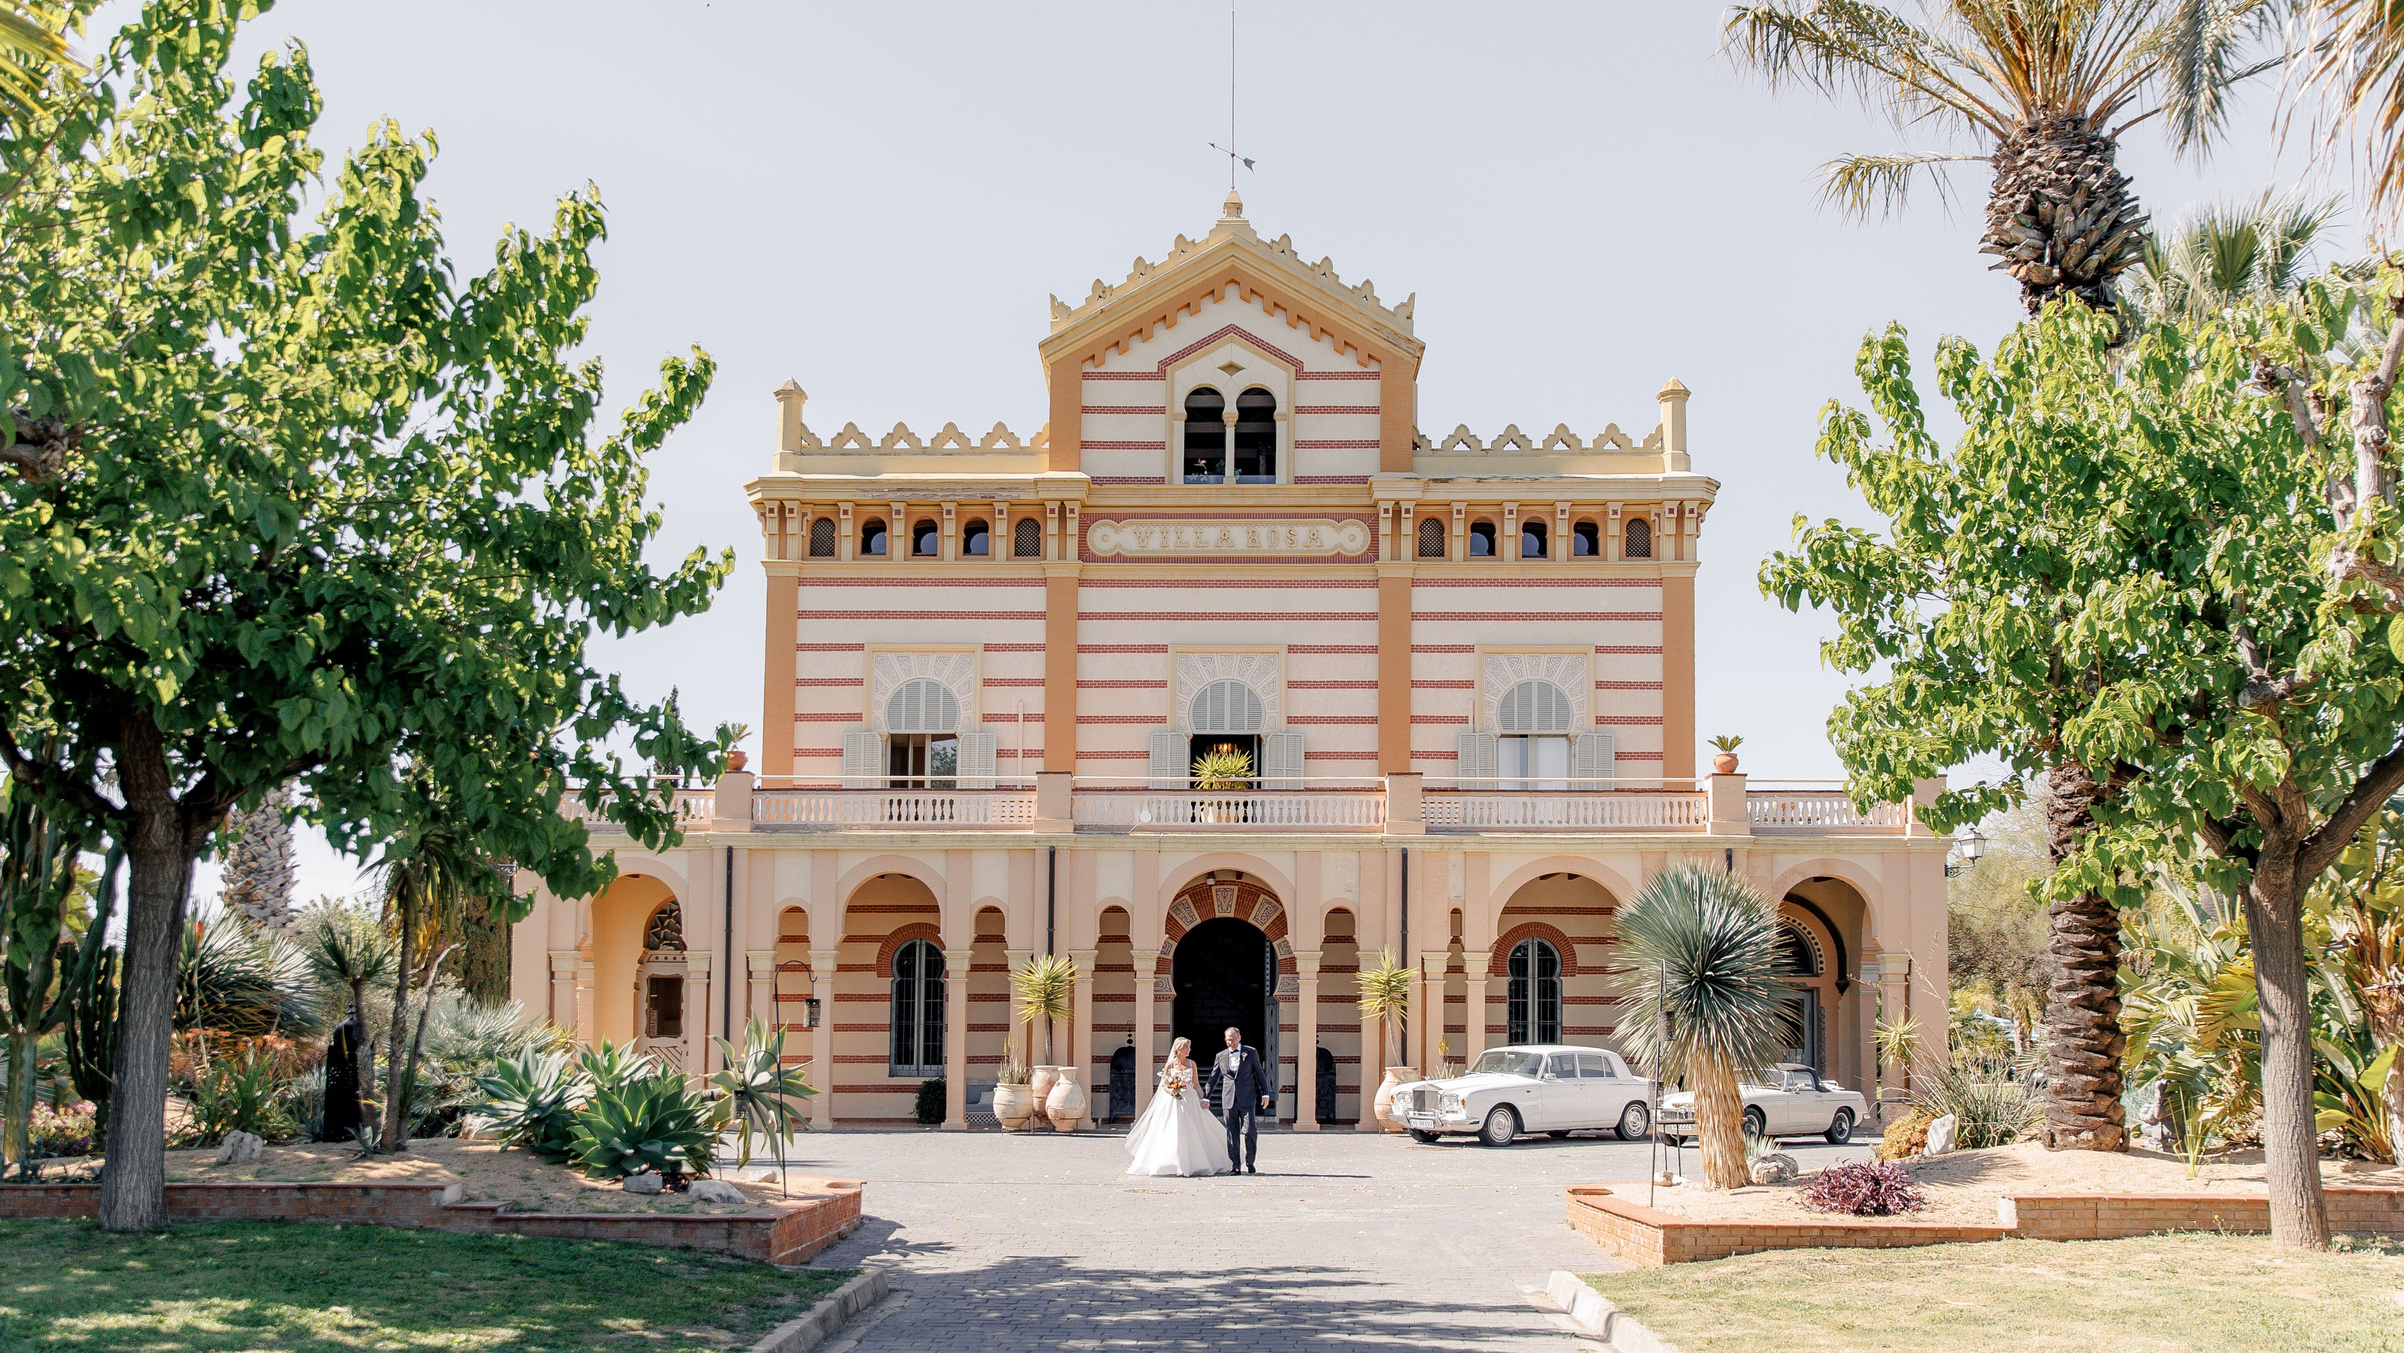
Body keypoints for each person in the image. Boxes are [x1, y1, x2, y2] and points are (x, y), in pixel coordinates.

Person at [1123, 1037, 1233, 1177]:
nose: (1189, 1050)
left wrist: (1203, 1098)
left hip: (1190, 1100)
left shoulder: (1192, 1064)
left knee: (1194, 1129)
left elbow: (1196, 1084)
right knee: (1172, 1129)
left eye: (1189, 1047)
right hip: (1173, 1101)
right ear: (1178, 1049)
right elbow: (1164, 1084)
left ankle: (1196, 1163)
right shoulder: (1170, 1064)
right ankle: (1171, 1163)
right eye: (1186, 1047)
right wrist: (1172, 1091)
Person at [1213, 1025, 1272, 1175]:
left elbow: (1259, 1074)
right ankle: (1236, 1165)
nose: (1230, 1042)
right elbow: (1213, 1078)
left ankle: (1250, 1161)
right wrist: (1206, 1096)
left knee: (1250, 1130)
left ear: (1239, 1038)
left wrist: (1265, 1093)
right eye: (1228, 1040)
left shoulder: (1250, 1052)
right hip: (1228, 1099)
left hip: (1247, 1098)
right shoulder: (1220, 1056)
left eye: (1233, 1039)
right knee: (1232, 1133)